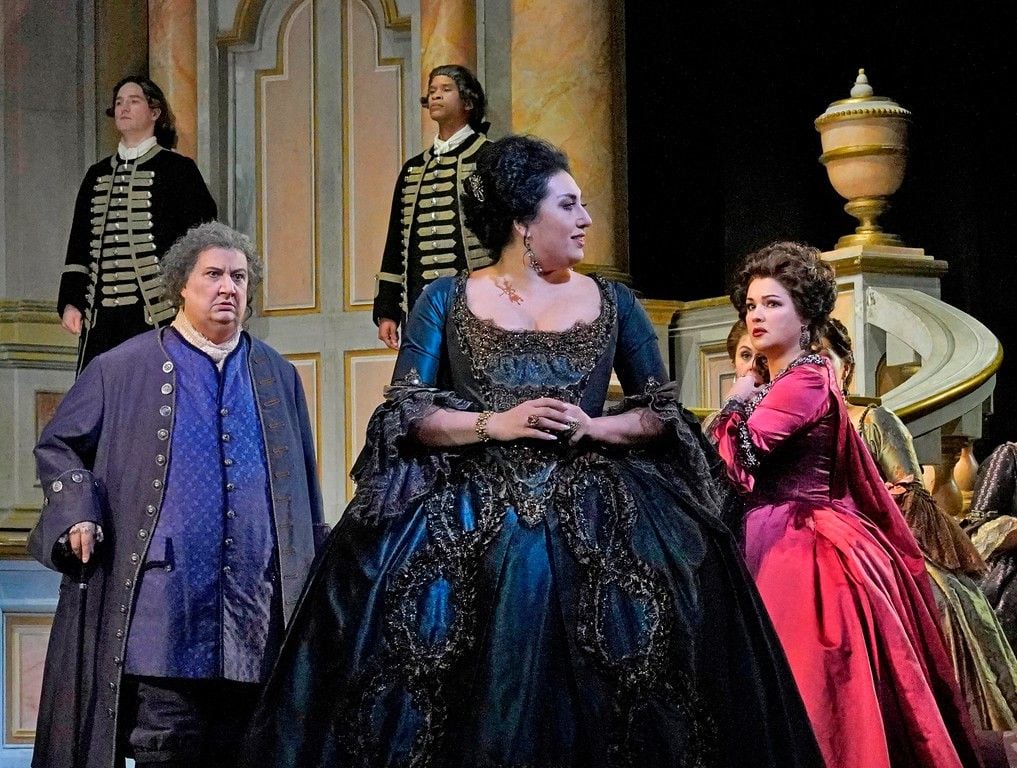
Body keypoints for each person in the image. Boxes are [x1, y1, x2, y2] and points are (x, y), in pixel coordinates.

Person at [240, 137, 824, 767]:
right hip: (464, 509)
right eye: (568, 206)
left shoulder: (614, 302)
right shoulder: (446, 299)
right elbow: (409, 414)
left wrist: (595, 427)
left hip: (601, 506)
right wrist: (497, 422)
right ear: (523, 221)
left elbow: (660, 412)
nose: (585, 220)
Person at [29, 222, 327, 768]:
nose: (228, 288)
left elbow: (303, 491)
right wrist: (78, 511)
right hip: (163, 622)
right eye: (212, 275)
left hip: (254, 621)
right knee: (167, 751)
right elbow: (59, 446)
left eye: (238, 277)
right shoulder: (122, 367)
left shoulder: (276, 374)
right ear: (180, 287)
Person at [710, 241, 981, 768]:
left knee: (815, 686)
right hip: (767, 535)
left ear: (805, 313)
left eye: (772, 304)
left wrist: (736, 401)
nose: (756, 316)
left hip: (804, 546)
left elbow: (740, 456)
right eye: (750, 305)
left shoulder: (808, 379)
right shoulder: (780, 382)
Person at [822, 318, 1017, 732]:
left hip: (882, 545)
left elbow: (913, 498)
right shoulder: (788, 423)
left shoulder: (872, 421)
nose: (814, 371)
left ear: (847, 366)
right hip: (815, 547)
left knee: (933, 604)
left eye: (825, 359)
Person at [59, 75, 218, 375]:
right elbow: (79, 245)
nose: (124, 108)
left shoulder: (179, 171)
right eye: (119, 102)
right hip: (101, 320)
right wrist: (71, 302)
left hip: (156, 314)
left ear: (155, 112)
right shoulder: (96, 175)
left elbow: (203, 242)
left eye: (133, 101)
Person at [374, 64, 493, 350]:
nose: (436, 96)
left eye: (446, 89)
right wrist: (388, 310)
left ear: (467, 101)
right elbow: (396, 243)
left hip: (481, 305)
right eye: (432, 91)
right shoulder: (414, 168)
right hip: (422, 305)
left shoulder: (490, 157)